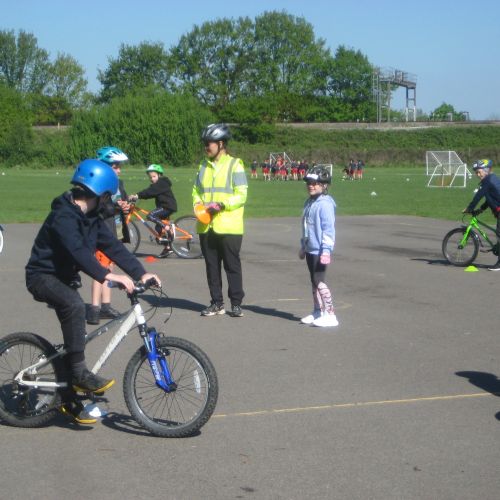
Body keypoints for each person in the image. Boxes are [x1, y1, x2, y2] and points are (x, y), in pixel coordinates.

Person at [25, 159, 160, 423]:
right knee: (75, 306)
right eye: (108, 196)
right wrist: (108, 275)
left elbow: (113, 247)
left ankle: (67, 399)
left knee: (75, 332)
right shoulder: (63, 216)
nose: (109, 202)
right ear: (100, 193)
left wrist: (140, 273)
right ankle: (78, 375)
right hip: (42, 276)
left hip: (65, 278)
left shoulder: (91, 218)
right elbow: (77, 251)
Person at [192, 123, 248, 317]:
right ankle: (217, 303)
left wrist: (222, 205)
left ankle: (236, 303)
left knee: (232, 266)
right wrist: (198, 205)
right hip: (206, 224)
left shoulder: (235, 164)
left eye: (209, 143)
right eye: (205, 143)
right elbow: (196, 191)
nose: (206, 147)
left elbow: (241, 195)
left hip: (229, 226)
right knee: (211, 267)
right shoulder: (202, 165)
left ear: (221, 144)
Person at [86, 146, 130, 325]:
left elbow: (122, 202)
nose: (118, 170)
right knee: (100, 270)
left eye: (119, 166)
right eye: (115, 166)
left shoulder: (119, 184)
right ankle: (94, 308)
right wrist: (116, 207)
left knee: (110, 268)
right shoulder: (99, 185)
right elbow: (99, 209)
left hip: (115, 230)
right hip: (102, 231)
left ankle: (105, 305)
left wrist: (126, 206)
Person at [299, 166, 339, 327]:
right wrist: (303, 245)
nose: (311, 185)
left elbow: (328, 229)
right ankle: (318, 311)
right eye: (309, 182)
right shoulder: (309, 202)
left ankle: (330, 314)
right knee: (313, 280)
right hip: (310, 248)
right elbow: (306, 227)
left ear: (324, 185)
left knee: (319, 280)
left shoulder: (325, 204)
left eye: (315, 183)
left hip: (320, 250)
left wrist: (326, 250)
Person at [129, 164, 178, 258]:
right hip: (165, 206)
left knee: (150, 215)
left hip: (167, 206)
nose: (152, 179)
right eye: (150, 177)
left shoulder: (162, 183)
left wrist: (137, 196)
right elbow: (150, 193)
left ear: (159, 175)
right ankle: (168, 248)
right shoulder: (158, 185)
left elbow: (149, 192)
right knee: (158, 229)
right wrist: (138, 196)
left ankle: (168, 228)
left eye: (154, 176)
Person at [463, 159, 500, 271]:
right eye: (476, 172)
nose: (477, 175)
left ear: (486, 170)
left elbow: (478, 196)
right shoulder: (492, 178)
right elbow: (491, 198)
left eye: (479, 172)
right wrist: (481, 209)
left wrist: (469, 208)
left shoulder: (487, 181)